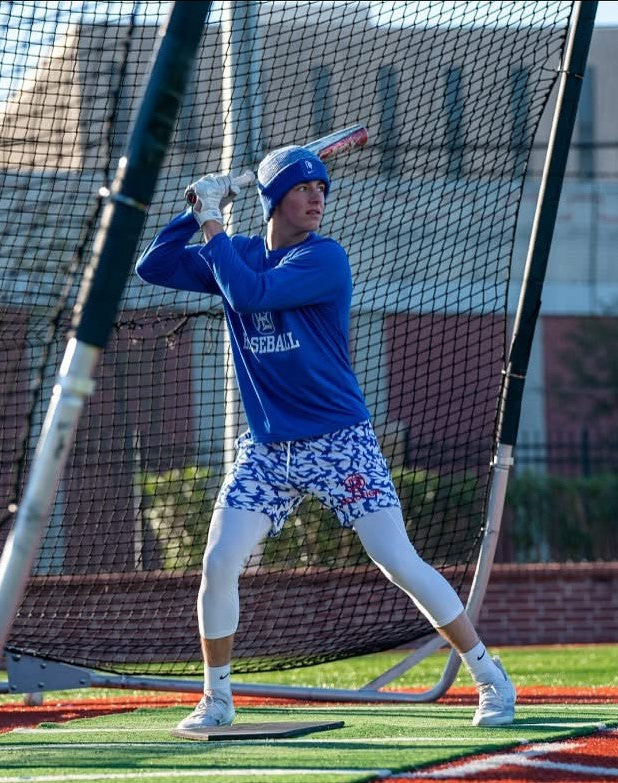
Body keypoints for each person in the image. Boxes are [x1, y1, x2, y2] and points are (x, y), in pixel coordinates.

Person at [134, 145, 516, 730]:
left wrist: (212, 220)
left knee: (396, 561)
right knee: (219, 562)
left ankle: (491, 679)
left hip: (338, 441)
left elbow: (247, 295)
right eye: (303, 187)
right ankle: (216, 699)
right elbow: (153, 267)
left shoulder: (325, 258)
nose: (317, 198)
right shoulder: (234, 251)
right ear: (273, 199)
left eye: (322, 188)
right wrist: (198, 210)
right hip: (266, 450)